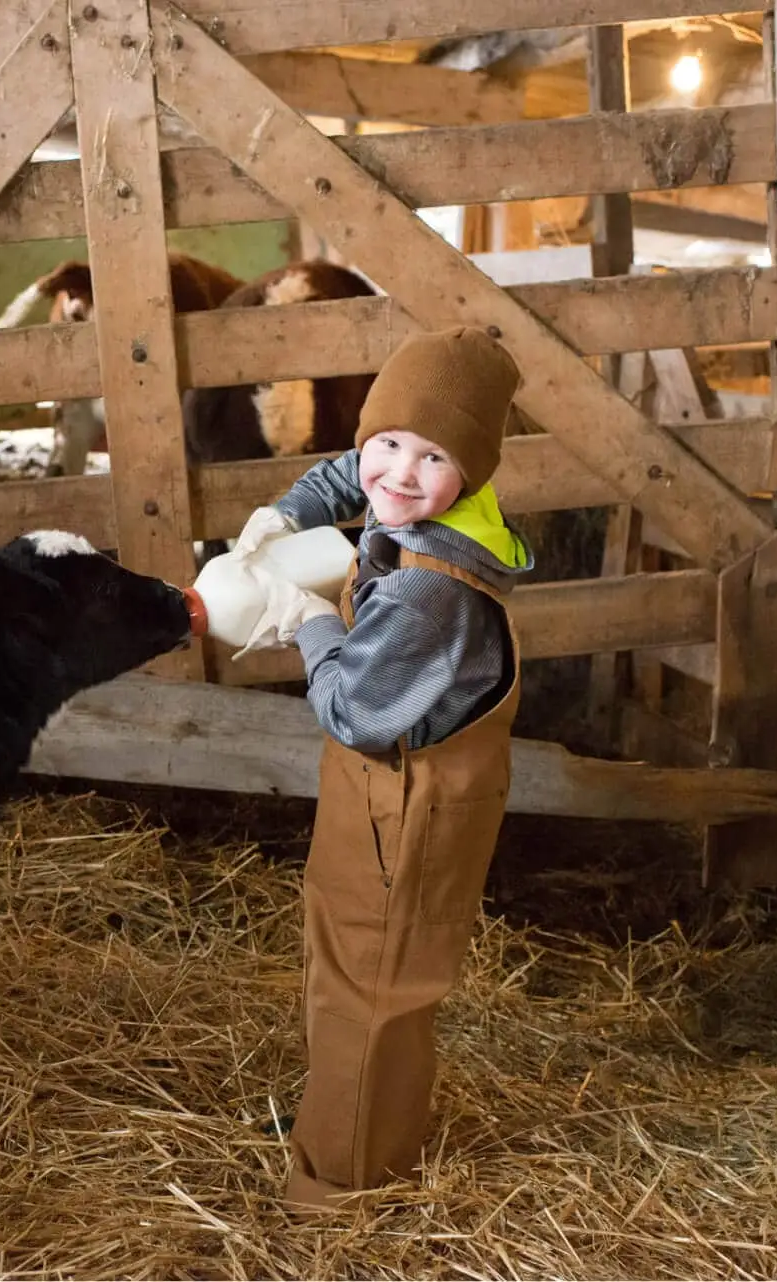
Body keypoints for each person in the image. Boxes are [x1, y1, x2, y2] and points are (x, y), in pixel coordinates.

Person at [229, 326, 533, 1209]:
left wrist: (311, 620)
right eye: (388, 443)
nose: (399, 474)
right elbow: (351, 472)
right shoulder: (428, 497)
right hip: (377, 789)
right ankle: (341, 1116)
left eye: (432, 456)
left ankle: (343, 1186)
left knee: (374, 985)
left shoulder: (429, 588)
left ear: (469, 470)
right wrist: (288, 512)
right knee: (340, 957)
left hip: (405, 797)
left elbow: (354, 712)